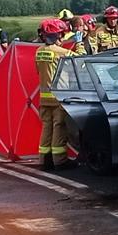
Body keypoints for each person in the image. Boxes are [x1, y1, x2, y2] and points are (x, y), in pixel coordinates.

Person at [33, 18, 77, 170]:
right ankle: (59, 160)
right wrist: (79, 43)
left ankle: (44, 159)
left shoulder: (38, 52)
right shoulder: (63, 52)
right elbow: (79, 61)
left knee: (46, 127)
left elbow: (38, 71)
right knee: (59, 127)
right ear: (58, 35)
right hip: (59, 98)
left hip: (44, 98)